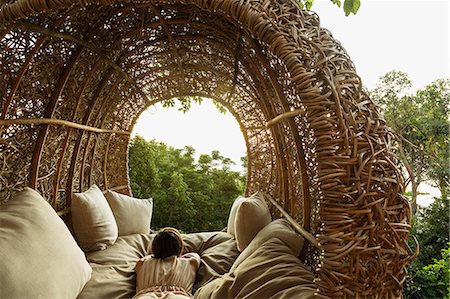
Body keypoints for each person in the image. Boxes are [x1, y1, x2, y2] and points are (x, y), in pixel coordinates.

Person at [133, 227, 201, 299]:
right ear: (180, 247)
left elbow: (147, 257)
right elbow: (194, 255)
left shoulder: (142, 263)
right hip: (178, 296)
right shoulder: (190, 262)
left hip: (147, 296)